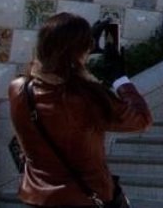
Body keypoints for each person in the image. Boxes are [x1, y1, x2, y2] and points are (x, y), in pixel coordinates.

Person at [9, 13, 153, 207]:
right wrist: (120, 77)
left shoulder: (18, 88)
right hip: (87, 198)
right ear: (81, 50)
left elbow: (48, 72)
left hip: (37, 198)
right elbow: (141, 119)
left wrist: (77, 55)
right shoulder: (87, 96)